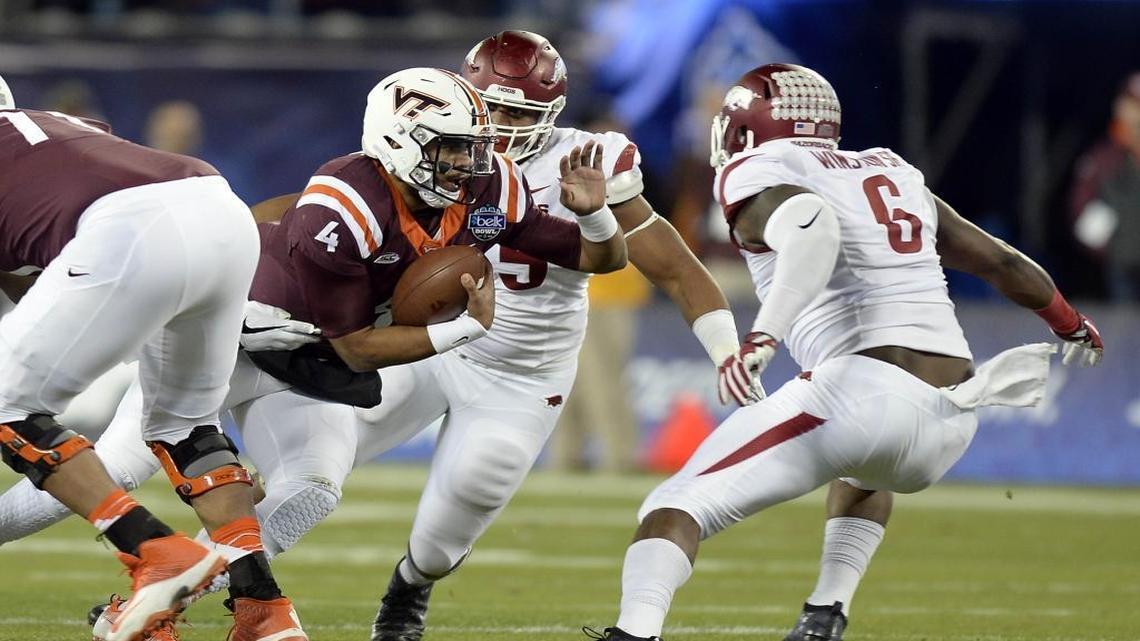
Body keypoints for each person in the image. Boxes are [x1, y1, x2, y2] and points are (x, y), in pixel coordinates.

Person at [0, 65, 626, 638]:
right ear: (400, 142)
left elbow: (596, 256)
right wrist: (463, 330)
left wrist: (595, 217)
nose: (468, 163)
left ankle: (228, 603)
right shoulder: (346, 202)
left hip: (308, 360)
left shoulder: (489, 189)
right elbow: (356, 349)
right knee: (119, 464)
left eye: (472, 147)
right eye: (450, 148)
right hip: (244, 339)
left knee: (312, 487)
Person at [584, 63, 1104, 641]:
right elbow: (1000, 261)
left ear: (745, 129)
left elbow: (813, 229)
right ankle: (825, 613)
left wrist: (764, 336)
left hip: (865, 392)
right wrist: (1070, 322)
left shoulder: (757, 168)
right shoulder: (890, 169)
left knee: (673, 506)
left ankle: (634, 632)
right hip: (953, 414)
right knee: (864, 470)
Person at [349, 31, 741, 641]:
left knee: (452, 523)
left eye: (520, 115)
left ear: (552, 114)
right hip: (423, 340)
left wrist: (726, 349)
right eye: (493, 109)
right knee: (322, 445)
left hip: (521, 372)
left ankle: (410, 585)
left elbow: (672, 267)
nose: (503, 128)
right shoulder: (426, 136)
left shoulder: (586, 161)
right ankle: (239, 567)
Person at [0, 76, 306, 641]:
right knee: (187, 426)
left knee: (5, 403)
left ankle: (152, 550)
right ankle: (264, 610)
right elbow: (34, 265)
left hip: (131, 230)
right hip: (216, 205)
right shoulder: (54, 127)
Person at [1070, 72, 1140, 300]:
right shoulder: (1105, 156)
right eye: (1133, 105)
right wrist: (1110, 249)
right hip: (1123, 265)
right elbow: (1082, 209)